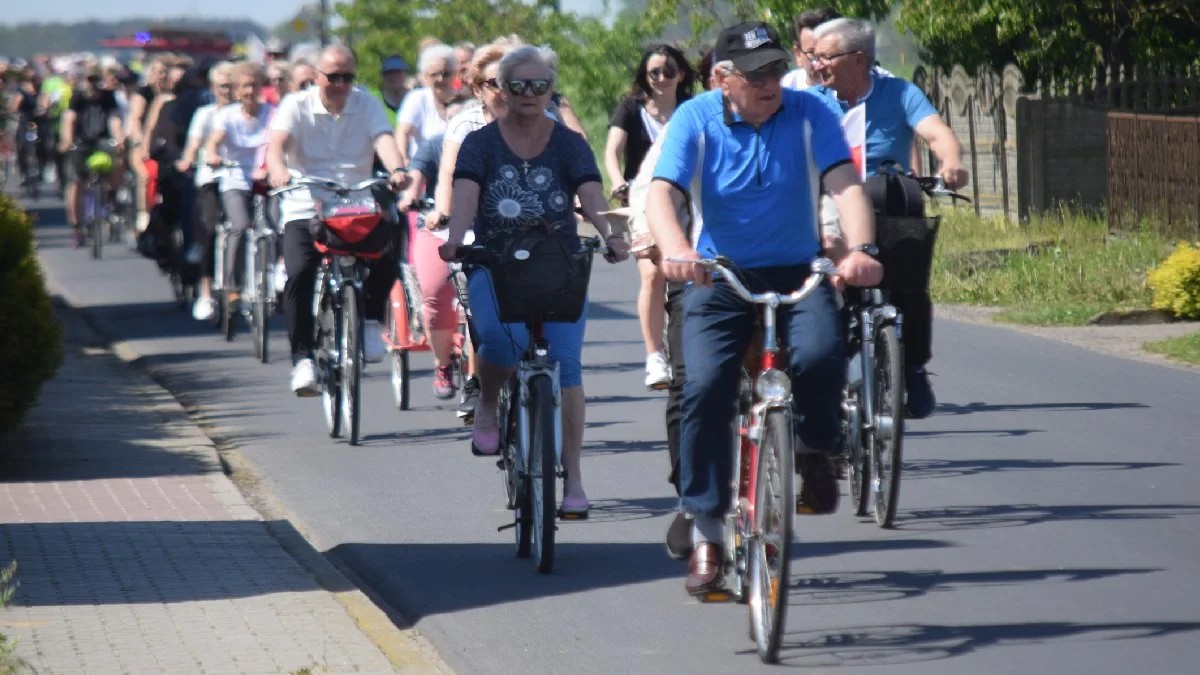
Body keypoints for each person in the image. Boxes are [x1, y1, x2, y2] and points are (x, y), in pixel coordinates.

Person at [645, 22, 882, 597]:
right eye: (755, 75)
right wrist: (676, 249)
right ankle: (705, 529)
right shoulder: (696, 118)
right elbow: (661, 192)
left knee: (825, 354)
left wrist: (862, 250)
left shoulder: (808, 112)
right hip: (716, 273)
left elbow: (846, 184)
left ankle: (811, 448)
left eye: (776, 69)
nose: (770, 82)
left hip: (798, 268)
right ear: (723, 79)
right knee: (702, 387)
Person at [438, 45, 631, 518]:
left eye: (539, 85)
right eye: (518, 85)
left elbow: (590, 193)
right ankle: (487, 403)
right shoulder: (480, 143)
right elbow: (465, 196)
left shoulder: (569, 142)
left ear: (550, 90)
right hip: (494, 260)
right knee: (500, 350)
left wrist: (611, 236)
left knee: (567, 367)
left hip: (557, 262)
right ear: (502, 89)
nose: (529, 94)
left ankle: (575, 480)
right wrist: (457, 239)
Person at [809, 18, 968, 419]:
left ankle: (911, 365)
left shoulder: (899, 93)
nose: (817, 66)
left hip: (885, 191)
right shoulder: (813, 101)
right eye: (814, 58)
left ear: (858, 59)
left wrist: (951, 162)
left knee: (910, 276)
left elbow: (936, 133)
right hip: (833, 196)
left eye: (826, 58)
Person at [265, 45, 409, 396]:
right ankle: (302, 359)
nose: (341, 84)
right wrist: (279, 170)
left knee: (391, 245)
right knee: (299, 272)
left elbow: (384, 138)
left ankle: (372, 320)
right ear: (317, 77)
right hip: (306, 202)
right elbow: (276, 144)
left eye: (348, 77)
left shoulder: (366, 103)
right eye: (334, 77)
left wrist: (397, 169)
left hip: (354, 202)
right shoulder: (295, 106)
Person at [433, 36, 526, 420]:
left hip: (528, 231)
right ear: (477, 88)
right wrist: (444, 210)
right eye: (493, 83)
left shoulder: (540, 119)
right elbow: (450, 173)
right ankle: (479, 384)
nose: (503, 90)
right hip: (475, 229)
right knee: (479, 309)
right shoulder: (466, 124)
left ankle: (541, 380)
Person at [604, 44, 697, 391]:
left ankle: (688, 345)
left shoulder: (691, 109)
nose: (661, 78)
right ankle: (654, 355)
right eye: (654, 72)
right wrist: (617, 181)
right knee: (653, 271)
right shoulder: (631, 108)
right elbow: (612, 150)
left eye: (668, 70)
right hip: (642, 198)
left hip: (687, 197)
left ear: (682, 74)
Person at [396, 97, 469, 400]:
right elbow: (417, 176)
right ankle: (443, 364)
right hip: (437, 228)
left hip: (482, 228)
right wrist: (411, 196)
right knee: (436, 293)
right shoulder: (435, 145)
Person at [205, 62, 274, 306]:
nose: (249, 90)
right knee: (240, 225)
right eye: (244, 86)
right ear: (236, 90)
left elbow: (279, 140)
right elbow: (215, 140)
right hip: (235, 177)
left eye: (254, 85)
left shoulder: (271, 113)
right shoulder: (227, 116)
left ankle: (275, 278)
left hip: (266, 178)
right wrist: (212, 154)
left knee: (276, 226)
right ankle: (233, 286)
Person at [177, 61, 235, 321]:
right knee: (211, 230)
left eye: (231, 85)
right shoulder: (205, 114)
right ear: (212, 88)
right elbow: (194, 142)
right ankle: (206, 292)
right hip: (210, 177)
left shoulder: (245, 113)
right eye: (222, 86)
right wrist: (187, 158)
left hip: (240, 179)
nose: (227, 91)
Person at [59, 67, 123, 248]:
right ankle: (76, 227)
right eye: (88, 79)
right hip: (81, 142)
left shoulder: (108, 97)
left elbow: (114, 119)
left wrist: (118, 139)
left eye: (94, 79)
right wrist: (67, 141)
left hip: (102, 141)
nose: (92, 84)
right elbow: (69, 119)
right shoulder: (77, 97)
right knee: (76, 183)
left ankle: (114, 200)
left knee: (116, 165)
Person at [783, 7, 895, 91]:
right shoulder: (786, 89)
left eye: (829, 55)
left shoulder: (885, 84)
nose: (821, 65)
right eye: (813, 54)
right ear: (798, 55)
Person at [395, 44, 458, 164]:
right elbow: (403, 132)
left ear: (454, 74)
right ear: (425, 77)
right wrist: (403, 160)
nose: (440, 79)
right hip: (424, 168)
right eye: (435, 74)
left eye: (446, 74)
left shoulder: (463, 98)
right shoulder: (417, 98)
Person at [372, 55, 410, 128]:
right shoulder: (374, 98)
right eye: (389, 73)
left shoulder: (415, 98)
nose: (394, 77)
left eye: (398, 72)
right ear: (383, 76)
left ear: (406, 74)